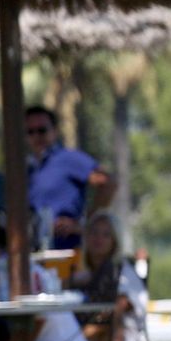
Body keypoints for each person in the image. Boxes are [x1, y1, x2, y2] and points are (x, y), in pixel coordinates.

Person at [68, 212, 148, 341]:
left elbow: (117, 309)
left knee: (111, 328)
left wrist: (86, 333)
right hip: (89, 339)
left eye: (106, 235)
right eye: (94, 233)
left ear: (115, 241)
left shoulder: (123, 272)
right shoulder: (83, 274)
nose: (99, 239)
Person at [26, 105, 116, 251]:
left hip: (68, 251)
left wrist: (86, 224)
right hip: (36, 251)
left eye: (42, 130)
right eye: (30, 132)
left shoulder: (67, 158)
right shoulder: (28, 169)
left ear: (55, 131)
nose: (36, 136)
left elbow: (108, 183)